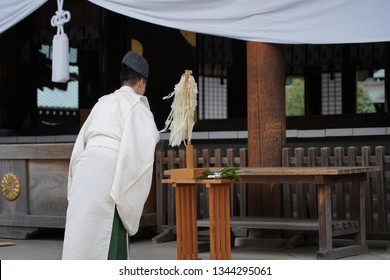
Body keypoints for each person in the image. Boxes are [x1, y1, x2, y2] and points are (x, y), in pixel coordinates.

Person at [62, 51, 159, 260]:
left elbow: (81, 141)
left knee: (82, 230)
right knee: (108, 229)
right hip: (110, 169)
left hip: (85, 166)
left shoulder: (102, 102)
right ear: (141, 83)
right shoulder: (136, 105)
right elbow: (142, 149)